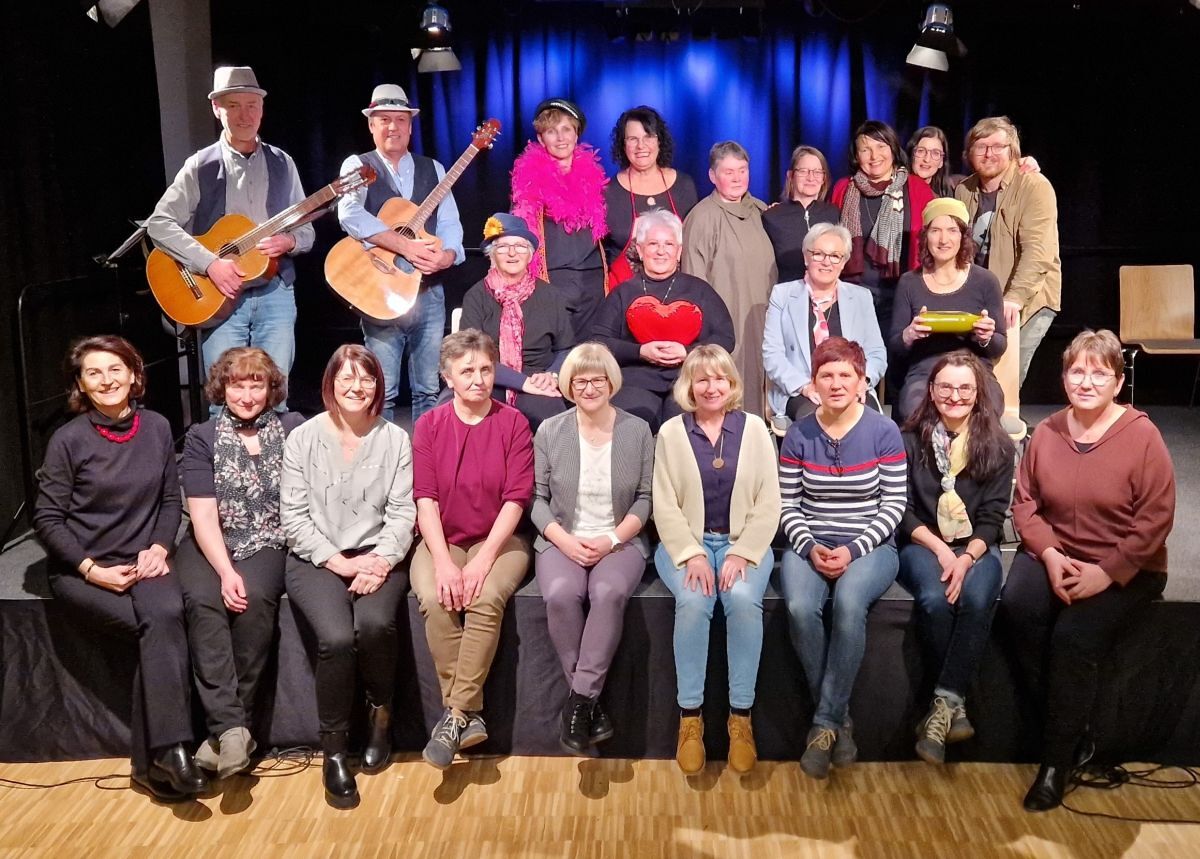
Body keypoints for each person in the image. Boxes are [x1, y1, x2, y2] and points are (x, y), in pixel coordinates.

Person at [1002, 330, 1175, 812]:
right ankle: (1069, 725)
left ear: (1118, 383)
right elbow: (1026, 506)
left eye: (1099, 372)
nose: (1086, 380)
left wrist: (1107, 572)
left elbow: (1155, 519)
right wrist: (1052, 556)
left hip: (1127, 563)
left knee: (1073, 637)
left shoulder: (1143, 436)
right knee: (1017, 606)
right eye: (1077, 370)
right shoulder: (1048, 431)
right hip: (1056, 552)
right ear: (1063, 378)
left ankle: (1056, 761)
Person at [33, 335, 207, 802]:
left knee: (167, 617)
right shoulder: (68, 441)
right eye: (94, 373)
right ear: (81, 386)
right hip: (84, 570)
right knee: (159, 631)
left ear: (134, 375)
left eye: (115, 369)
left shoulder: (155, 426)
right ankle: (169, 751)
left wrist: (158, 546)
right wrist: (91, 570)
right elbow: (46, 519)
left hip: (143, 563)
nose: (106, 380)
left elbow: (171, 499)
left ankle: (154, 763)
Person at [280, 345, 416, 809]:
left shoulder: (396, 439)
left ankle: (381, 718)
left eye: (367, 379)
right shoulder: (302, 437)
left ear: (379, 385)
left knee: (375, 624)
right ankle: (335, 752)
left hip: (379, 555)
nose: (357, 387)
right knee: (336, 638)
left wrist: (378, 561)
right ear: (330, 385)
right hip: (315, 557)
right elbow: (293, 517)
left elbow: (403, 513)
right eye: (347, 379)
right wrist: (338, 561)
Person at [778, 337, 906, 780]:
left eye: (844, 375)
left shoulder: (883, 431)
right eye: (825, 375)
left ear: (861, 381)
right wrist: (810, 545)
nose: (835, 383)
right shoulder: (798, 433)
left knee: (850, 605)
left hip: (869, 545)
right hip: (809, 540)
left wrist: (852, 549)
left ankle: (824, 723)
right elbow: (787, 504)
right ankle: (839, 720)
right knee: (798, 606)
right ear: (813, 383)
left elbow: (893, 506)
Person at [177, 347, 305, 780]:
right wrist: (226, 570)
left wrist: (239, 577)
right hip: (211, 539)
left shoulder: (293, 428)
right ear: (222, 387)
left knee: (251, 606)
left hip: (270, 536)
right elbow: (203, 515)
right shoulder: (203, 436)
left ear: (272, 389)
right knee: (203, 603)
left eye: (257, 384)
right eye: (237, 384)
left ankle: (226, 734)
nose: (247, 394)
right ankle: (233, 728)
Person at [653, 345, 781, 775]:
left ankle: (740, 719)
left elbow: (770, 501)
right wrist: (691, 555)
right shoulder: (671, 432)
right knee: (693, 602)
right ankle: (690, 719)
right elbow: (664, 504)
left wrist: (743, 552)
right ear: (689, 385)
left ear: (732, 384)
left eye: (720, 378)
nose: (712, 387)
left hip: (742, 543)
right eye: (702, 379)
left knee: (743, 600)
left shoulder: (757, 429)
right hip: (686, 543)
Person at [410, 330, 535, 769]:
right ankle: (468, 714)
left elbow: (516, 498)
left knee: (484, 597)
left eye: (486, 369)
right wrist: (443, 561)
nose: (479, 379)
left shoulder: (513, 422)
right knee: (434, 595)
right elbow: (425, 498)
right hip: (441, 537)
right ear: (448, 377)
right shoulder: (429, 425)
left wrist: (483, 560)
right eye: (467, 371)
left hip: (500, 538)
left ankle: (456, 713)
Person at [146, 66, 314, 386]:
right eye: (233, 105)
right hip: (218, 295)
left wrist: (289, 242)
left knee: (275, 393)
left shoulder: (283, 162)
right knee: (224, 399)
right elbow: (159, 224)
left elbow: (306, 230)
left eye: (252, 105)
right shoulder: (200, 165)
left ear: (262, 109)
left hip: (275, 290)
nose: (244, 115)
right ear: (216, 109)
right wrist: (210, 264)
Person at [531, 343, 655, 753]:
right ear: (568, 385)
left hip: (620, 538)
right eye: (579, 380)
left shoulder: (637, 430)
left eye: (596, 379)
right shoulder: (551, 431)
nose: (588, 387)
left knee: (608, 592)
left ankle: (579, 700)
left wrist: (613, 538)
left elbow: (645, 497)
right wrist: (563, 539)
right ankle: (588, 705)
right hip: (562, 536)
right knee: (561, 594)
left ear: (611, 382)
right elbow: (535, 498)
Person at [896, 351, 1015, 765]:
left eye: (965, 387)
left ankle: (942, 703)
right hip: (923, 543)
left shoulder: (998, 444)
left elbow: (993, 516)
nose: (955, 395)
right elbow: (903, 509)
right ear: (931, 390)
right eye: (945, 386)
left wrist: (966, 559)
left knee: (979, 599)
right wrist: (944, 551)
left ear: (977, 392)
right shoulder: (908, 439)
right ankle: (955, 705)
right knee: (934, 599)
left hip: (977, 547)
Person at [336, 84, 465, 422]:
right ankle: (384, 462)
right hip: (380, 290)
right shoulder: (358, 165)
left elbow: (450, 221)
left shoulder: (433, 168)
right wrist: (403, 244)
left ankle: (425, 461)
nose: (393, 127)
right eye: (384, 120)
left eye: (400, 120)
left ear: (410, 125)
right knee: (383, 387)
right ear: (371, 125)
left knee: (427, 387)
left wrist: (448, 255)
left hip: (429, 290)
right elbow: (349, 214)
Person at [591, 210, 736, 431]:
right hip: (636, 379)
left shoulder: (700, 290)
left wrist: (688, 352)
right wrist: (640, 351)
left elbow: (725, 339)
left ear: (678, 252)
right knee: (632, 421)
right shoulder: (623, 293)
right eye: (653, 244)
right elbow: (598, 341)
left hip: (688, 378)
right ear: (640, 250)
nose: (661, 251)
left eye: (668, 244)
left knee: (682, 425)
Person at [955, 116, 1061, 387]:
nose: (989, 153)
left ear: (1013, 151)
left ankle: (1002, 429)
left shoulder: (1034, 186)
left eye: (998, 146)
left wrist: (1014, 297)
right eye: (981, 146)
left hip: (1028, 297)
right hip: (982, 300)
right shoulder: (963, 190)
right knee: (972, 374)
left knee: (1004, 380)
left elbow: (1038, 251)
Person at [888, 198, 1006, 424]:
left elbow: (999, 345)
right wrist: (909, 335)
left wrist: (985, 337)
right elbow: (895, 346)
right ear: (925, 237)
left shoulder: (985, 281)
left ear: (963, 237)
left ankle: (974, 459)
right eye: (935, 230)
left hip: (974, 371)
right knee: (914, 408)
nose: (944, 239)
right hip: (925, 371)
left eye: (952, 230)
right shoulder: (909, 282)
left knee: (989, 408)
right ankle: (932, 459)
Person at [682, 141, 778, 417]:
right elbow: (693, 283)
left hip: (764, 320)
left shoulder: (761, 211)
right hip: (727, 325)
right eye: (728, 172)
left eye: (743, 170)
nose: (737, 178)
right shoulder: (702, 218)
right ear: (712, 176)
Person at [762, 222, 886, 428]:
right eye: (818, 254)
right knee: (817, 421)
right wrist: (805, 387)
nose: (826, 262)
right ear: (806, 257)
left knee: (867, 422)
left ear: (844, 261)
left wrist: (861, 382)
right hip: (804, 389)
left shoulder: (861, 297)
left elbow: (876, 353)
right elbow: (772, 354)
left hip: (851, 387)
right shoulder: (782, 295)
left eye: (835, 256)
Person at [459, 212, 574, 431]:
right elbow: (470, 354)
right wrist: (523, 383)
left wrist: (551, 376)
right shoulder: (476, 296)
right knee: (463, 414)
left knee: (555, 421)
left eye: (520, 246)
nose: (512, 253)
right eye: (503, 247)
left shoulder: (551, 295)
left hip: (539, 376)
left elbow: (566, 348)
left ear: (530, 255)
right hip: (487, 376)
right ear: (492, 255)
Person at [511, 98, 609, 339]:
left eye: (567, 129)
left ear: (577, 135)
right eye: (551, 131)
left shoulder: (595, 178)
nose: (560, 137)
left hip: (592, 280)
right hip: (552, 279)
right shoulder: (528, 179)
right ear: (541, 138)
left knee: (590, 357)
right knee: (557, 355)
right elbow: (519, 235)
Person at [830, 120, 936, 333]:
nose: (873, 156)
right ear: (856, 155)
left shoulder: (917, 188)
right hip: (853, 294)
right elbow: (829, 237)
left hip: (902, 297)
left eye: (881, 146)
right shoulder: (844, 189)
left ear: (893, 149)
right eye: (865, 149)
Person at [604, 106, 700, 285]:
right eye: (633, 139)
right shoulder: (609, 191)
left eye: (648, 137)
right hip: (625, 295)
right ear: (623, 144)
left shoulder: (684, 186)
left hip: (677, 292)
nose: (641, 146)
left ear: (659, 141)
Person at [762, 145, 841, 283]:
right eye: (803, 171)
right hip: (788, 297)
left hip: (827, 296)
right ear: (791, 176)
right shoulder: (772, 217)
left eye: (817, 172)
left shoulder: (834, 214)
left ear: (823, 178)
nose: (811, 177)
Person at [907, 126, 957, 199]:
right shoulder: (897, 190)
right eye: (921, 151)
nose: (927, 159)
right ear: (911, 154)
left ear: (941, 162)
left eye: (935, 153)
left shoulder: (946, 195)